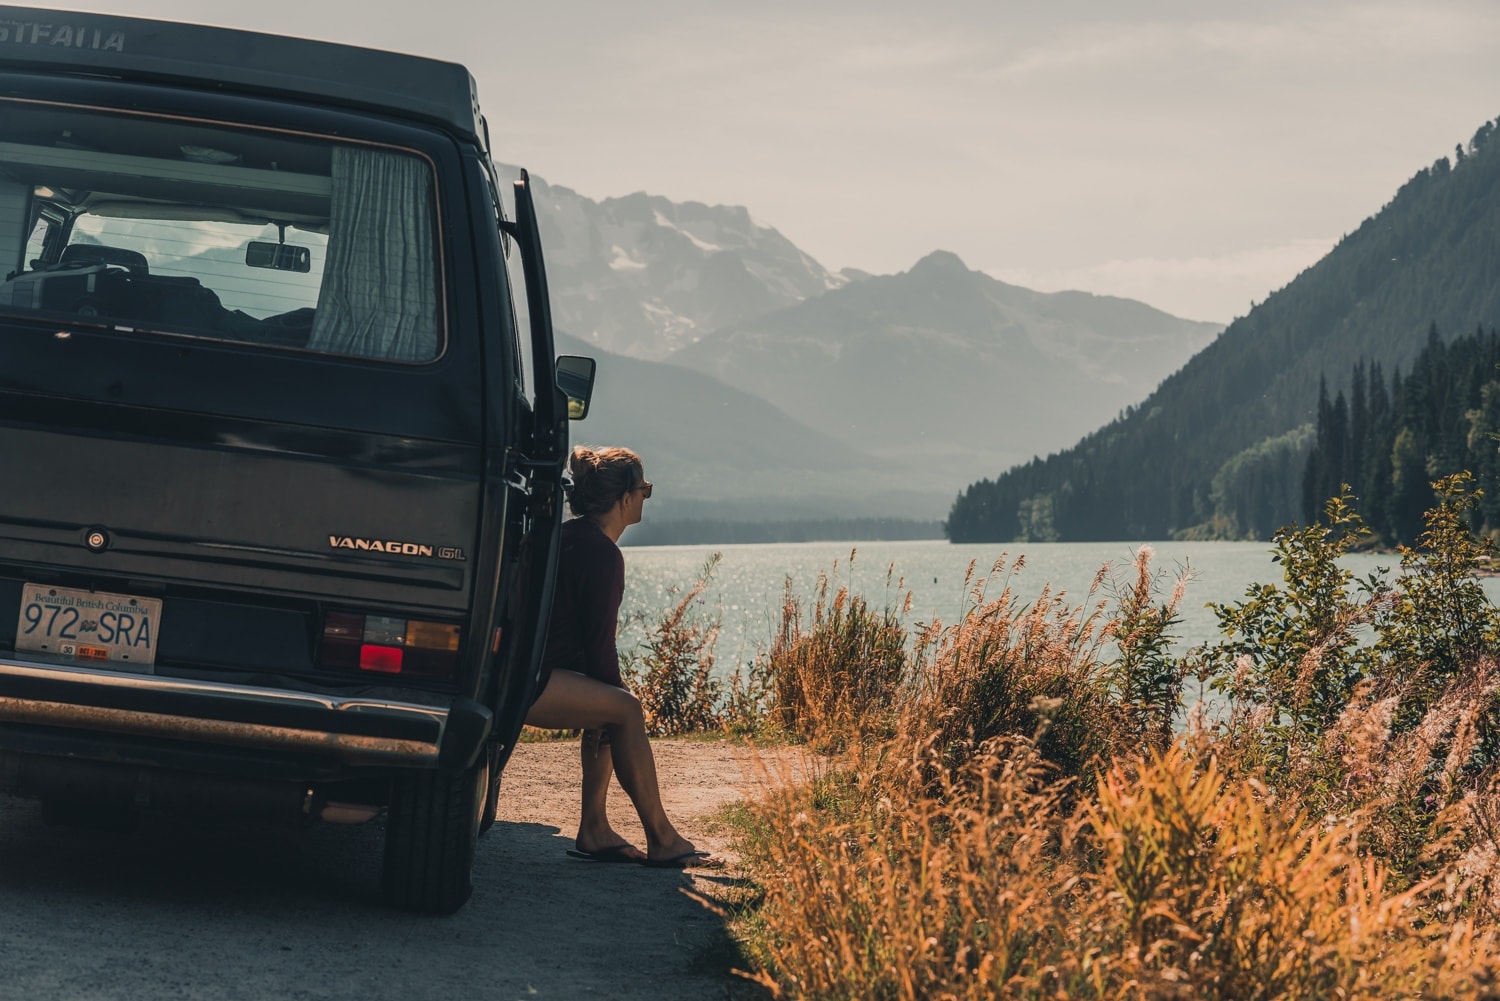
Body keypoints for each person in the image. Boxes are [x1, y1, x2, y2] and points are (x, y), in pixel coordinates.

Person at [525, 446, 714, 868]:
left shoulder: (565, 538)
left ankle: (594, 828)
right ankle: (663, 839)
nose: (645, 496)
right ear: (624, 499)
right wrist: (619, 694)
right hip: (530, 682)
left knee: (608, 701)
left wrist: (607, 690)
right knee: (624, 709)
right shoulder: (601, 554)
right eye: (645, 489)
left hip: (517, 672)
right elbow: (599, 647)